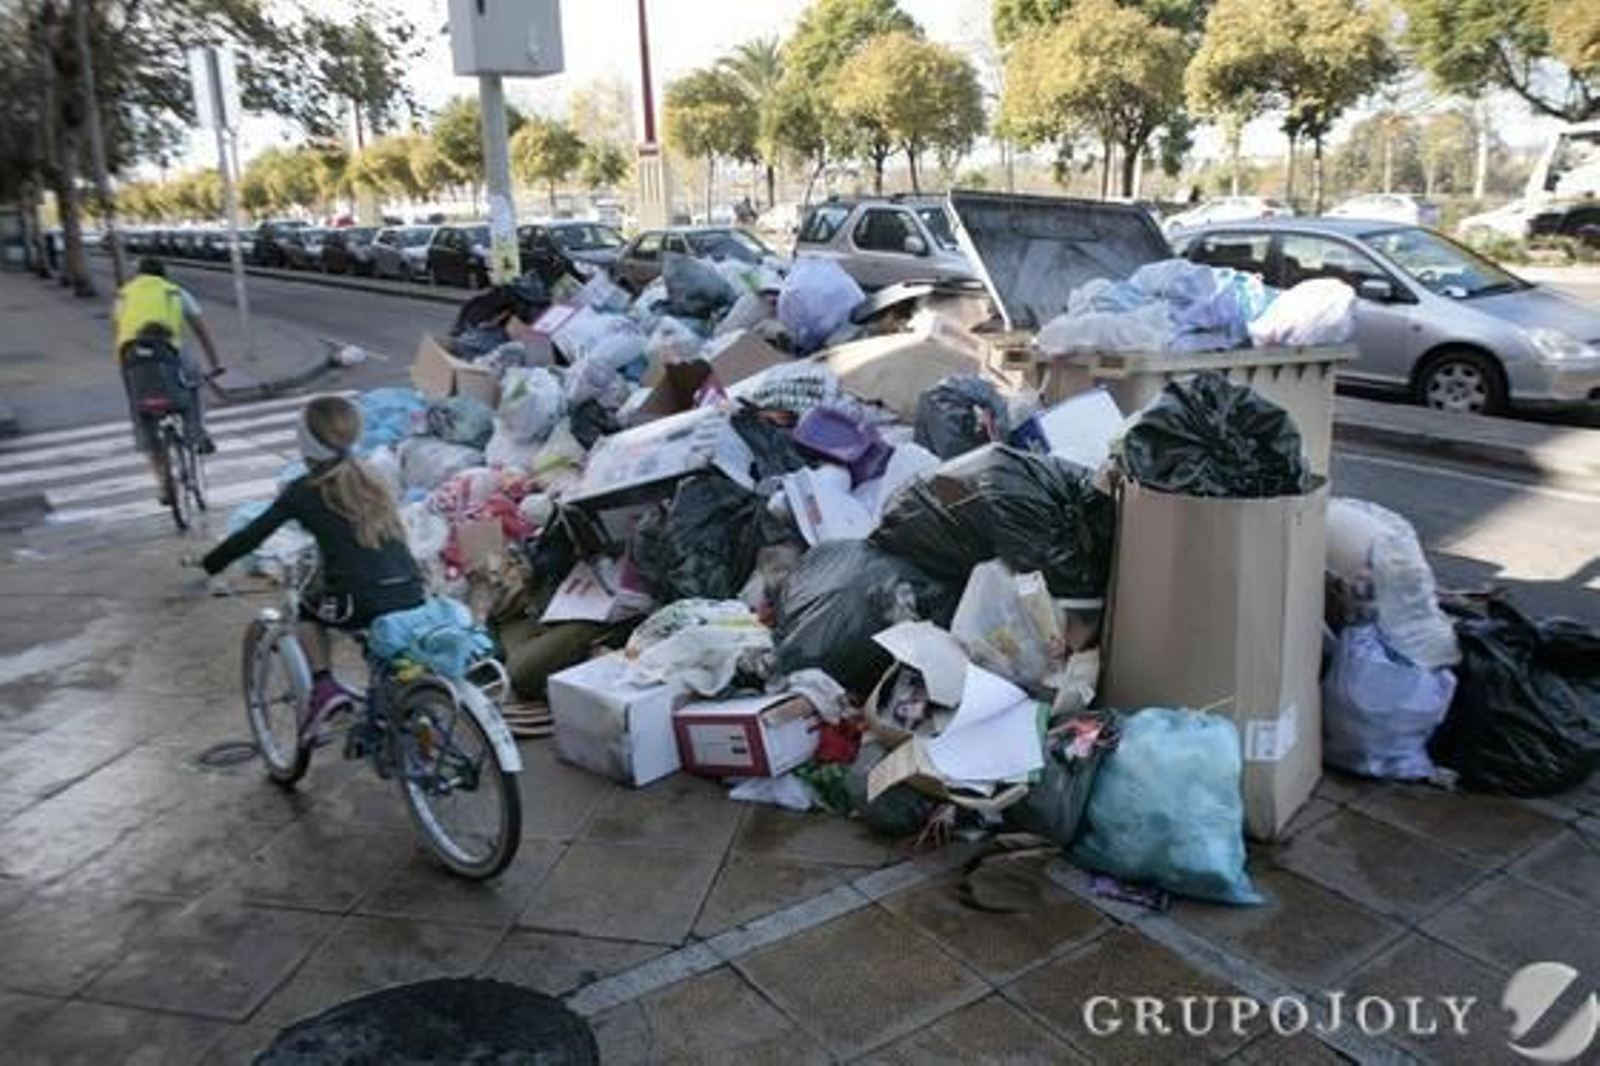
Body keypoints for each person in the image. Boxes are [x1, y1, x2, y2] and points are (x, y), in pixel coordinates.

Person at [201, 395, 425, 726]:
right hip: (410, 588)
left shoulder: (303, 489)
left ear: (305, 440)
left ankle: (323, 686)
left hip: (356, 597)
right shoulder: (373, 476)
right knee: (381, 635)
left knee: (308, 611)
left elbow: (252, 535)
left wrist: (210, 563)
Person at [114, 257, 224, 500]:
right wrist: (215, 363)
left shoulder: (124, 295)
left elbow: (119, 327)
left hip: (131, 358)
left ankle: (164, 483)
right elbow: (201, 330)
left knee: (141, 414)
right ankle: (196, 433)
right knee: (192, 380)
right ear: (163, 275)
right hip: (168, 353)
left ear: (139, 276)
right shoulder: (175, 292)